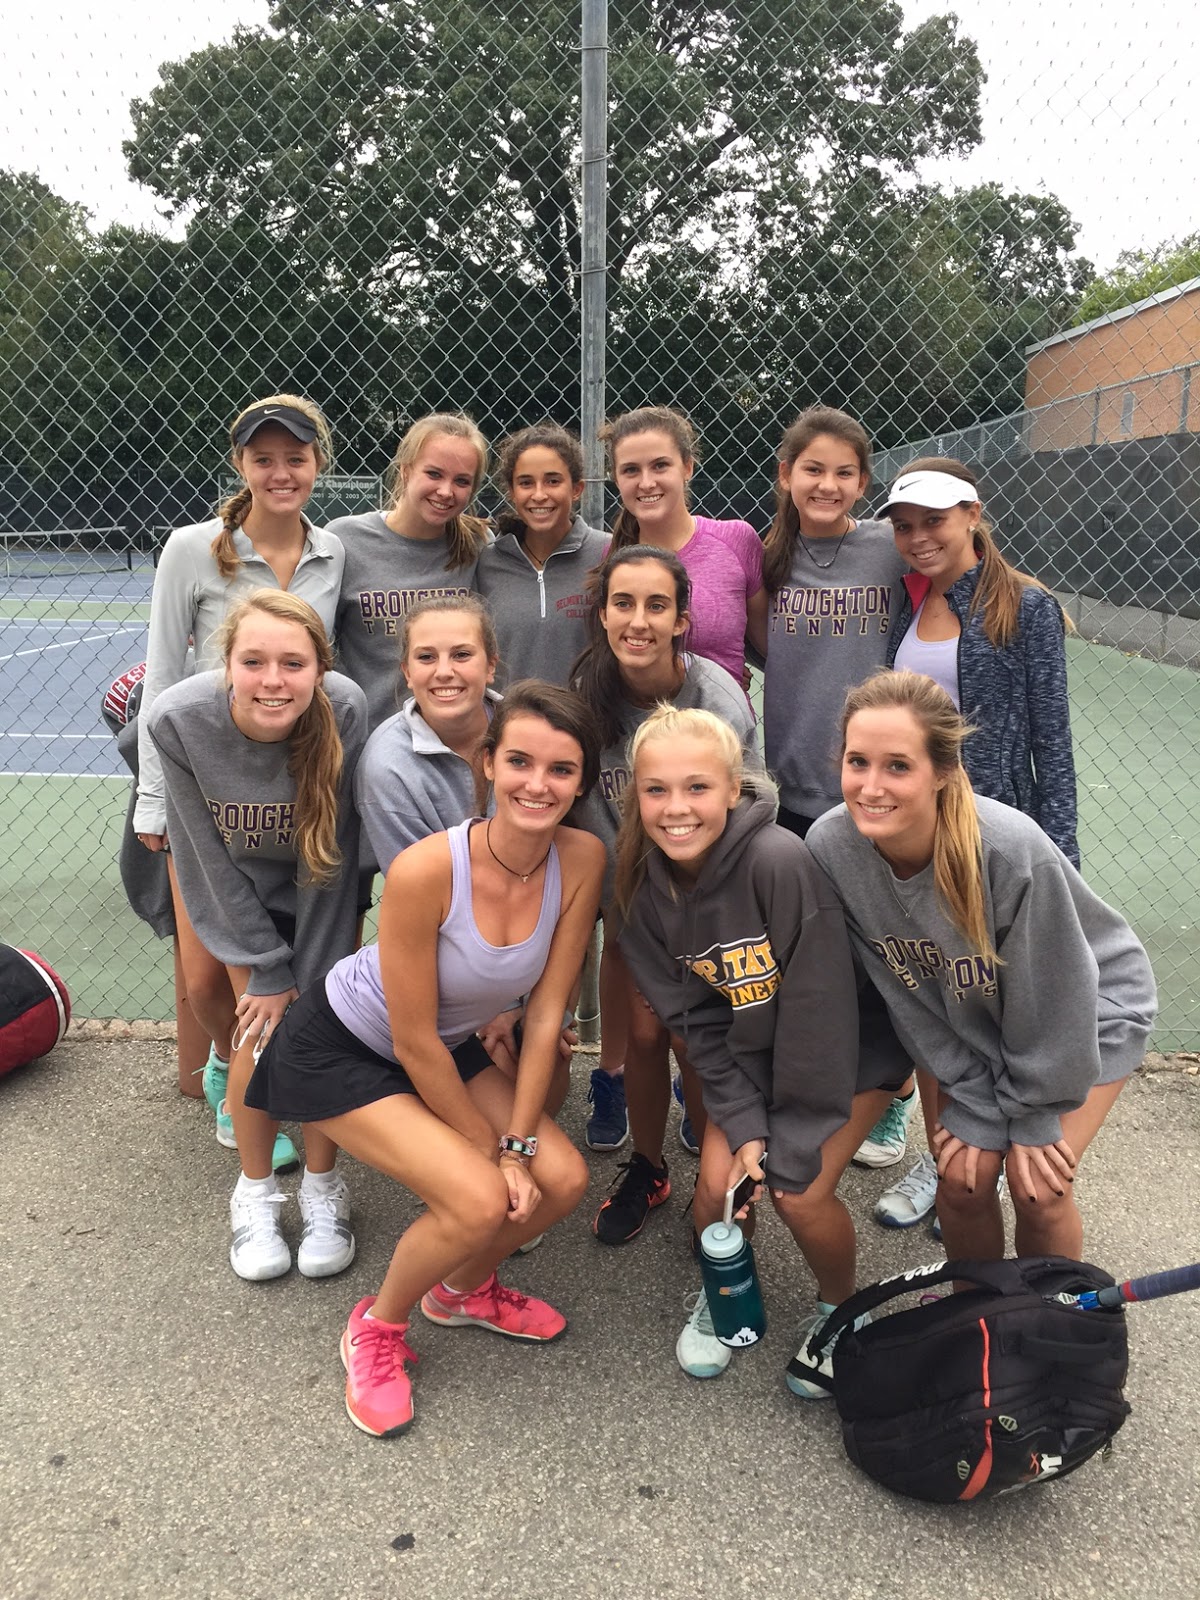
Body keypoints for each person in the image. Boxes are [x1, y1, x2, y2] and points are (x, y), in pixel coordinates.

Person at [244, 682, 606, 1438]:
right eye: (520, 762)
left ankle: (463, 1291)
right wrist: (496, 1156)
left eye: (562, 770)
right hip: (343, 1046)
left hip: (445, 1046)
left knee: (563, 1176)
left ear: (582, 782)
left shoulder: (583, 858)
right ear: (487, 764)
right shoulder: (423, 871)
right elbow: (410, 1040)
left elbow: (545, 1015)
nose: (538, 785)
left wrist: (522, 1146)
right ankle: (377, 1327)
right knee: (480, 1198)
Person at [807, 670, 1155, 1266]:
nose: (870, 786)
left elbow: (1055, 996)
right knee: (962, 1182)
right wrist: (976, 1100)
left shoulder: (1005, 849)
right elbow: (909, 996)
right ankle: (980, 1321)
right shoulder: (833, 848)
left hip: (1087, 1017)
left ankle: (1050, 1323)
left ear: (942, 771)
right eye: (857, 761)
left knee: (1038, 1187)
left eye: (898, 766)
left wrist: (1031, 1113)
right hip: (978, 1023)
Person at [614, 706, 909, 1391]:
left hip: (848, 1056)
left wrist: (790, 1133)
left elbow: (821, 1009)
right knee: (714, 1190)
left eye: (696, 788)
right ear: (636, 797)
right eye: (656, 790)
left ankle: (840, 1308)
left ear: (731, 790)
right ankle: (727, 1295)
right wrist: (745, 1123)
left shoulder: (778, 861)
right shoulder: (638, 892)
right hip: (758, 1058)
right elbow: (699, 1025)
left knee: (796, 1192)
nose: (676, 808)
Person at [869, 458, 1082, 1231]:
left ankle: (1018, 1142)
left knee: (1001, 1004)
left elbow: (1052, 749)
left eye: (933, 520)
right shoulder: (904, 604)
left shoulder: (1025, 608)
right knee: (937, 1005)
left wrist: (1060, 861)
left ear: (972, 514)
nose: (918, 537)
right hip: (917, 843)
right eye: (904, 524)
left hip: (994, 843)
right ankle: (946, 1159)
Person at [131, 394, 344, 1160]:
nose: (281, 472)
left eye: (296, 457)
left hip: (296, 788)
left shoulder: (335, 551)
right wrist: (154, 798)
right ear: (241, 464)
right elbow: (162, 674)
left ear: (319, 463)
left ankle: (278, 1085)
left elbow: (328, 672)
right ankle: (230, 1065)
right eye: (264, 458)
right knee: (208, 976)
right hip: (203, 784)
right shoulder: (192, 547)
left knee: (309, 952)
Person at [146, 591, 367, 1281]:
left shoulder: (347, 709)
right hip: (237, 893)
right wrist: (269, 970)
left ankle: (324, 1188)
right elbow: (204, 859)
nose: (274, 679)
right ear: (228, 664)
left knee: (322, 1029)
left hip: (319, 892)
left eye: (293, 663)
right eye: (255, 661)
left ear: (319, 670)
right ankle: (255, 1193)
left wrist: (319, 973)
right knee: (259, 1032)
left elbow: (331, 856)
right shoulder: (178, 721)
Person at [572, 545, 758, 1237]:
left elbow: (750, 802)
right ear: (602, 614)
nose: (639, 620)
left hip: (706, 900)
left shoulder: (714, 696)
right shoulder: (587, 695)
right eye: (624, 603)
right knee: (645, 1035)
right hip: (630, 906)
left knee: (697, 1041)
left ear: (683, 619)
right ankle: (648, 1169)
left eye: (657, 605)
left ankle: (726, 1174)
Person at [755, 406, 915, 1176]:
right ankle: (823, 1085)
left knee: (890, 946)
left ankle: (894, 1096)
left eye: (844, 472)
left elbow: (966, 568)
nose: (827, 484)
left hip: (877, 788)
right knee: (814, 951)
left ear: (864, 481)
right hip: (793, 785)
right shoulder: (766, 558)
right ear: (786, 476)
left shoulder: (889, 549)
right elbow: (759, 645)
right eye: (812, 469)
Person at [331, 413, 489, 733]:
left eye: (461, 481)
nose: (446, 491)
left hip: (452, 739)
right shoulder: (346, 540)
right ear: (405, 471)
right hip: (366, 737)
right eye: (434, 474)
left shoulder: (479, 546)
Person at [603, 406, 767, 688]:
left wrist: (723, 678)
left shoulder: (736, 540)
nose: (646, 482)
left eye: (660, 465)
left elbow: (771, 647)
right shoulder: (610, 559)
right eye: (631, 470)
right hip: (639, 728)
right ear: (616, 478)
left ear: (687, 467)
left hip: (723, 728)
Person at [354, 595, 501, 876]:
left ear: (491, 666)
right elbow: (422, 887)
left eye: (461, 655)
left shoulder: (529, 732)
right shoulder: (386, 767)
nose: (444, 672)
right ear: (407, 672)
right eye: (426, 657)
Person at [474, 423, 607, 688]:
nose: (539, 494)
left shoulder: (608, 553)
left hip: (588, 723)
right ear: (512, 491)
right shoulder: (485, 563)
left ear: (577, 488)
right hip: (507, 723)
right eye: (526, 483)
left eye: (553, 481)